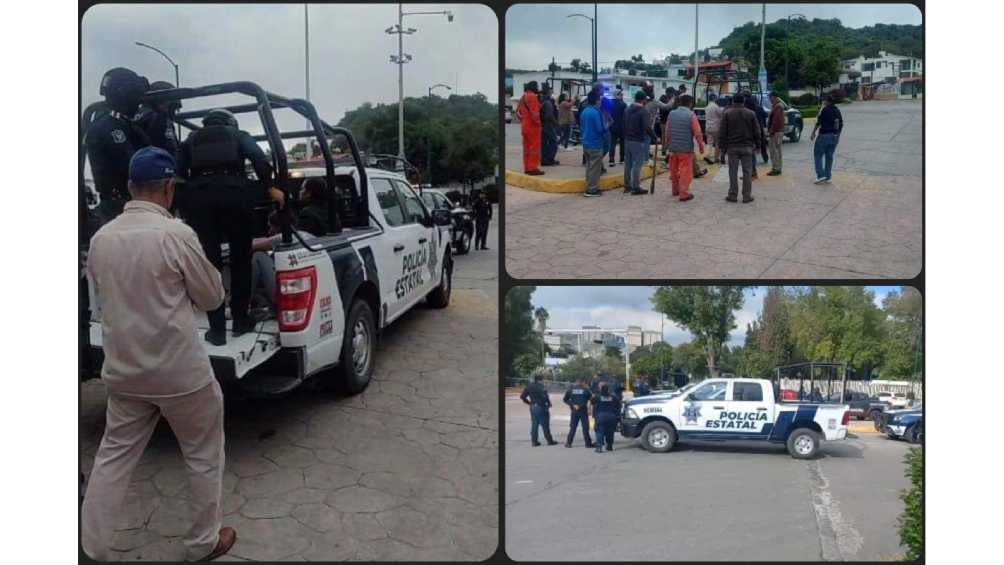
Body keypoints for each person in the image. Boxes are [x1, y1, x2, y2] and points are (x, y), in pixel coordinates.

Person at [82, 147, 236, 562]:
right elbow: (211, 296)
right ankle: (202, 543)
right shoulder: (176, 234)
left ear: (131, 187)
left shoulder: (101, 239)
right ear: (168, 188)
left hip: (125, 371)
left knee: (112, 458)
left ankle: (89, 548)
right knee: (203, 454)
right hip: (180, 375)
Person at [176, 108, 284, 345]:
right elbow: (259, 159)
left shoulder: (190, 140)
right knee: (241, 260)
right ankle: (240, 321)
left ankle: (216, 331)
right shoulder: (238, 135)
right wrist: (269, 186)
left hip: (200, 199)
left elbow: (178, 173)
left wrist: (186, 201)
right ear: (230, 122)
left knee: (209, 263)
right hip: (235, 194)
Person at [85, 67, 151, 225]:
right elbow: (132, 165)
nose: (138, 103)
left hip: (125, 203)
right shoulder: (109, 126)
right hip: (119, 204)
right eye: (136, 96)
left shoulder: (122, 124)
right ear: (124, 95)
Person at [718, 92, 760, 203]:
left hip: (732, 147)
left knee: (732, 172)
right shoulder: (751, 113)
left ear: (732, 101)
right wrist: (759, 145)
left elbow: (722, 133)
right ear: (744, 101)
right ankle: (747, 196)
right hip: (747, 147)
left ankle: (732, 195)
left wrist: (722, 150)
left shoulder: (727, 113)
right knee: (747, 172)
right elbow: (757, 131)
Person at [663, 94, 705, 202]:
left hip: (673, 148)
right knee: (685, 172)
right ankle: (683, 194)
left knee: (674, 170)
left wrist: (667, 143)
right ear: (690, 104)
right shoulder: (691, 115)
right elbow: (697, 133)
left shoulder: (671, 114)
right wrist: (701, 146)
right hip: (685, 149)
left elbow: (667, 130)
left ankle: (675, 190)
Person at [623, 90, 657, 195]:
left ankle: (627, 186)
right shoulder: (643, 111)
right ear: (643, 100)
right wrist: (654, 137)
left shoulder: (627, 109)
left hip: (627, 139)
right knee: (637, 164)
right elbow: (646, 127)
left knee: (628, 164)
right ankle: (636, 187)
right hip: (637, 140)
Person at [135, 80, 180, 155]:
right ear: (160, 101)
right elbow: (169, 147)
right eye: (171, 107)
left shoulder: (139, 115)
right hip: (158, 162)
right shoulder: (157, 118)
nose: (170, 110)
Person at [810, 94, 844, 184]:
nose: (822, 102)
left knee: (818, 155)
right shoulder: (837, 110)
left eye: (823, 100)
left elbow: (818, 122)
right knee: (829, 156)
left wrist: (813, 132)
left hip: (824, 135)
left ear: (826, 101)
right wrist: (838, 136)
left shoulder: (824, 110)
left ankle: (820, 175)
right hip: (834, 136)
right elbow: (841, 124)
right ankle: (828, 176)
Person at [579, 90, 606, 197]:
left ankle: (589, 186)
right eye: (600, 99)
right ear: (596, 100)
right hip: (595, 144)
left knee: (589, 167)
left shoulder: (584, 111)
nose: (600, 102)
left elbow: (581, 127)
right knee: (595, 168)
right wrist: (607, 126)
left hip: (586, 143)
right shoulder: (595, 112)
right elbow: (600, 129)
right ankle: (592, 190)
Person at [520, 374, 558, 446]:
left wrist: (529, 403)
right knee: (545, 424)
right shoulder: (541, 387)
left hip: (533, 407)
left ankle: (534, 442)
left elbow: (522, 397)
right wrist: (549, 404)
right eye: (543, 379)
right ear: (540, 380)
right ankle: (549, 441)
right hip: (541, 407)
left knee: (534, 424)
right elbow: (545, 397)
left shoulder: (529, 386)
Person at [516, 81, 544, 175]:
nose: (538, 88)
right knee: (534, 148)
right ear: (533, 87)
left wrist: (524, 120)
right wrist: (539, 123)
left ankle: (527, 168)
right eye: (537, 86)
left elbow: (518, 113)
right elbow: (535, 113)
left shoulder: (523, 97)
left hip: (525, 126)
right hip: (533, 126)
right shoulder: (532, 96)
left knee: (527, 148)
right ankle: (533, 168)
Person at [563, 379, 594, 448]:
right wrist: (589, 408)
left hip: (574, 411)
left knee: (573, 427)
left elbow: (565, 400)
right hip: (583, 410)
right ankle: (588, 444)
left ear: (576, 383)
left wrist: (572, 404)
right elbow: (591, 399)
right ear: (582, 383)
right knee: (585, 428)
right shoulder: (586, 390)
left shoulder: (570, 390)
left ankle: (568, 443)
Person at [743, 91, 767, 180]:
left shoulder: (749, 110)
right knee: (757, 150)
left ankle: (752, 173)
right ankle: (752, 172)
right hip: (759, 130)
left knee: (751, 155)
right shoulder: (758, 107)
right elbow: (765, 115)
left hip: (753, 133)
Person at [591, 384, 621, 453]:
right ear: (608, 389)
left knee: (599, 432)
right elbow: (619, 405)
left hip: (601, 417)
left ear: (601, 389)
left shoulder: (598, 396)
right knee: (610, 432)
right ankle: (609, 446)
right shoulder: (613, 397)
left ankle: (599, 447)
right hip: (611, 417)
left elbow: (592, 402)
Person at [539, 84, 560, 166]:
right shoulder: (548, 102)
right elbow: (549, 115)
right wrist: (556, 123)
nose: (552, 91)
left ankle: (544, 160)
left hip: (543, 125)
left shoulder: (542, 100)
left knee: (544, 143)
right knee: (554, 142)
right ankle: (550, 159)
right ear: (548, 91)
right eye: (550, 90)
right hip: (548, 124)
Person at [767, 92, 786, 176]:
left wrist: (771, 131)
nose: (769, 100)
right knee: (777, 150)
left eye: (770, 98)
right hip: (778, 131)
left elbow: (776, 121)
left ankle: (776, 169)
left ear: (774, 97)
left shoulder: (778, 106)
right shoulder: (777, 106)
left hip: (776, 132)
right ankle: (778, 168)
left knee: (774, 150)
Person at [608, 88, 627, 167]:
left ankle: (611, 160)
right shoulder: (623, 104)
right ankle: (622, 159)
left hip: (612, 127)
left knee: (612, 144)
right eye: (621, 95)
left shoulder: (609, 103)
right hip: (622, 127)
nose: (622, 96)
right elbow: (626, 116)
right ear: (617, 95)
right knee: (623, 144)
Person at [704, 93, 724, 165]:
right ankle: (716, 158)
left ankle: (706, 155)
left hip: (708, 127)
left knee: (709, 143)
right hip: (716, 127)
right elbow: (721, 115)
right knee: (717, 143)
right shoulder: (716, 106)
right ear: (715, 98)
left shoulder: (707, 106)